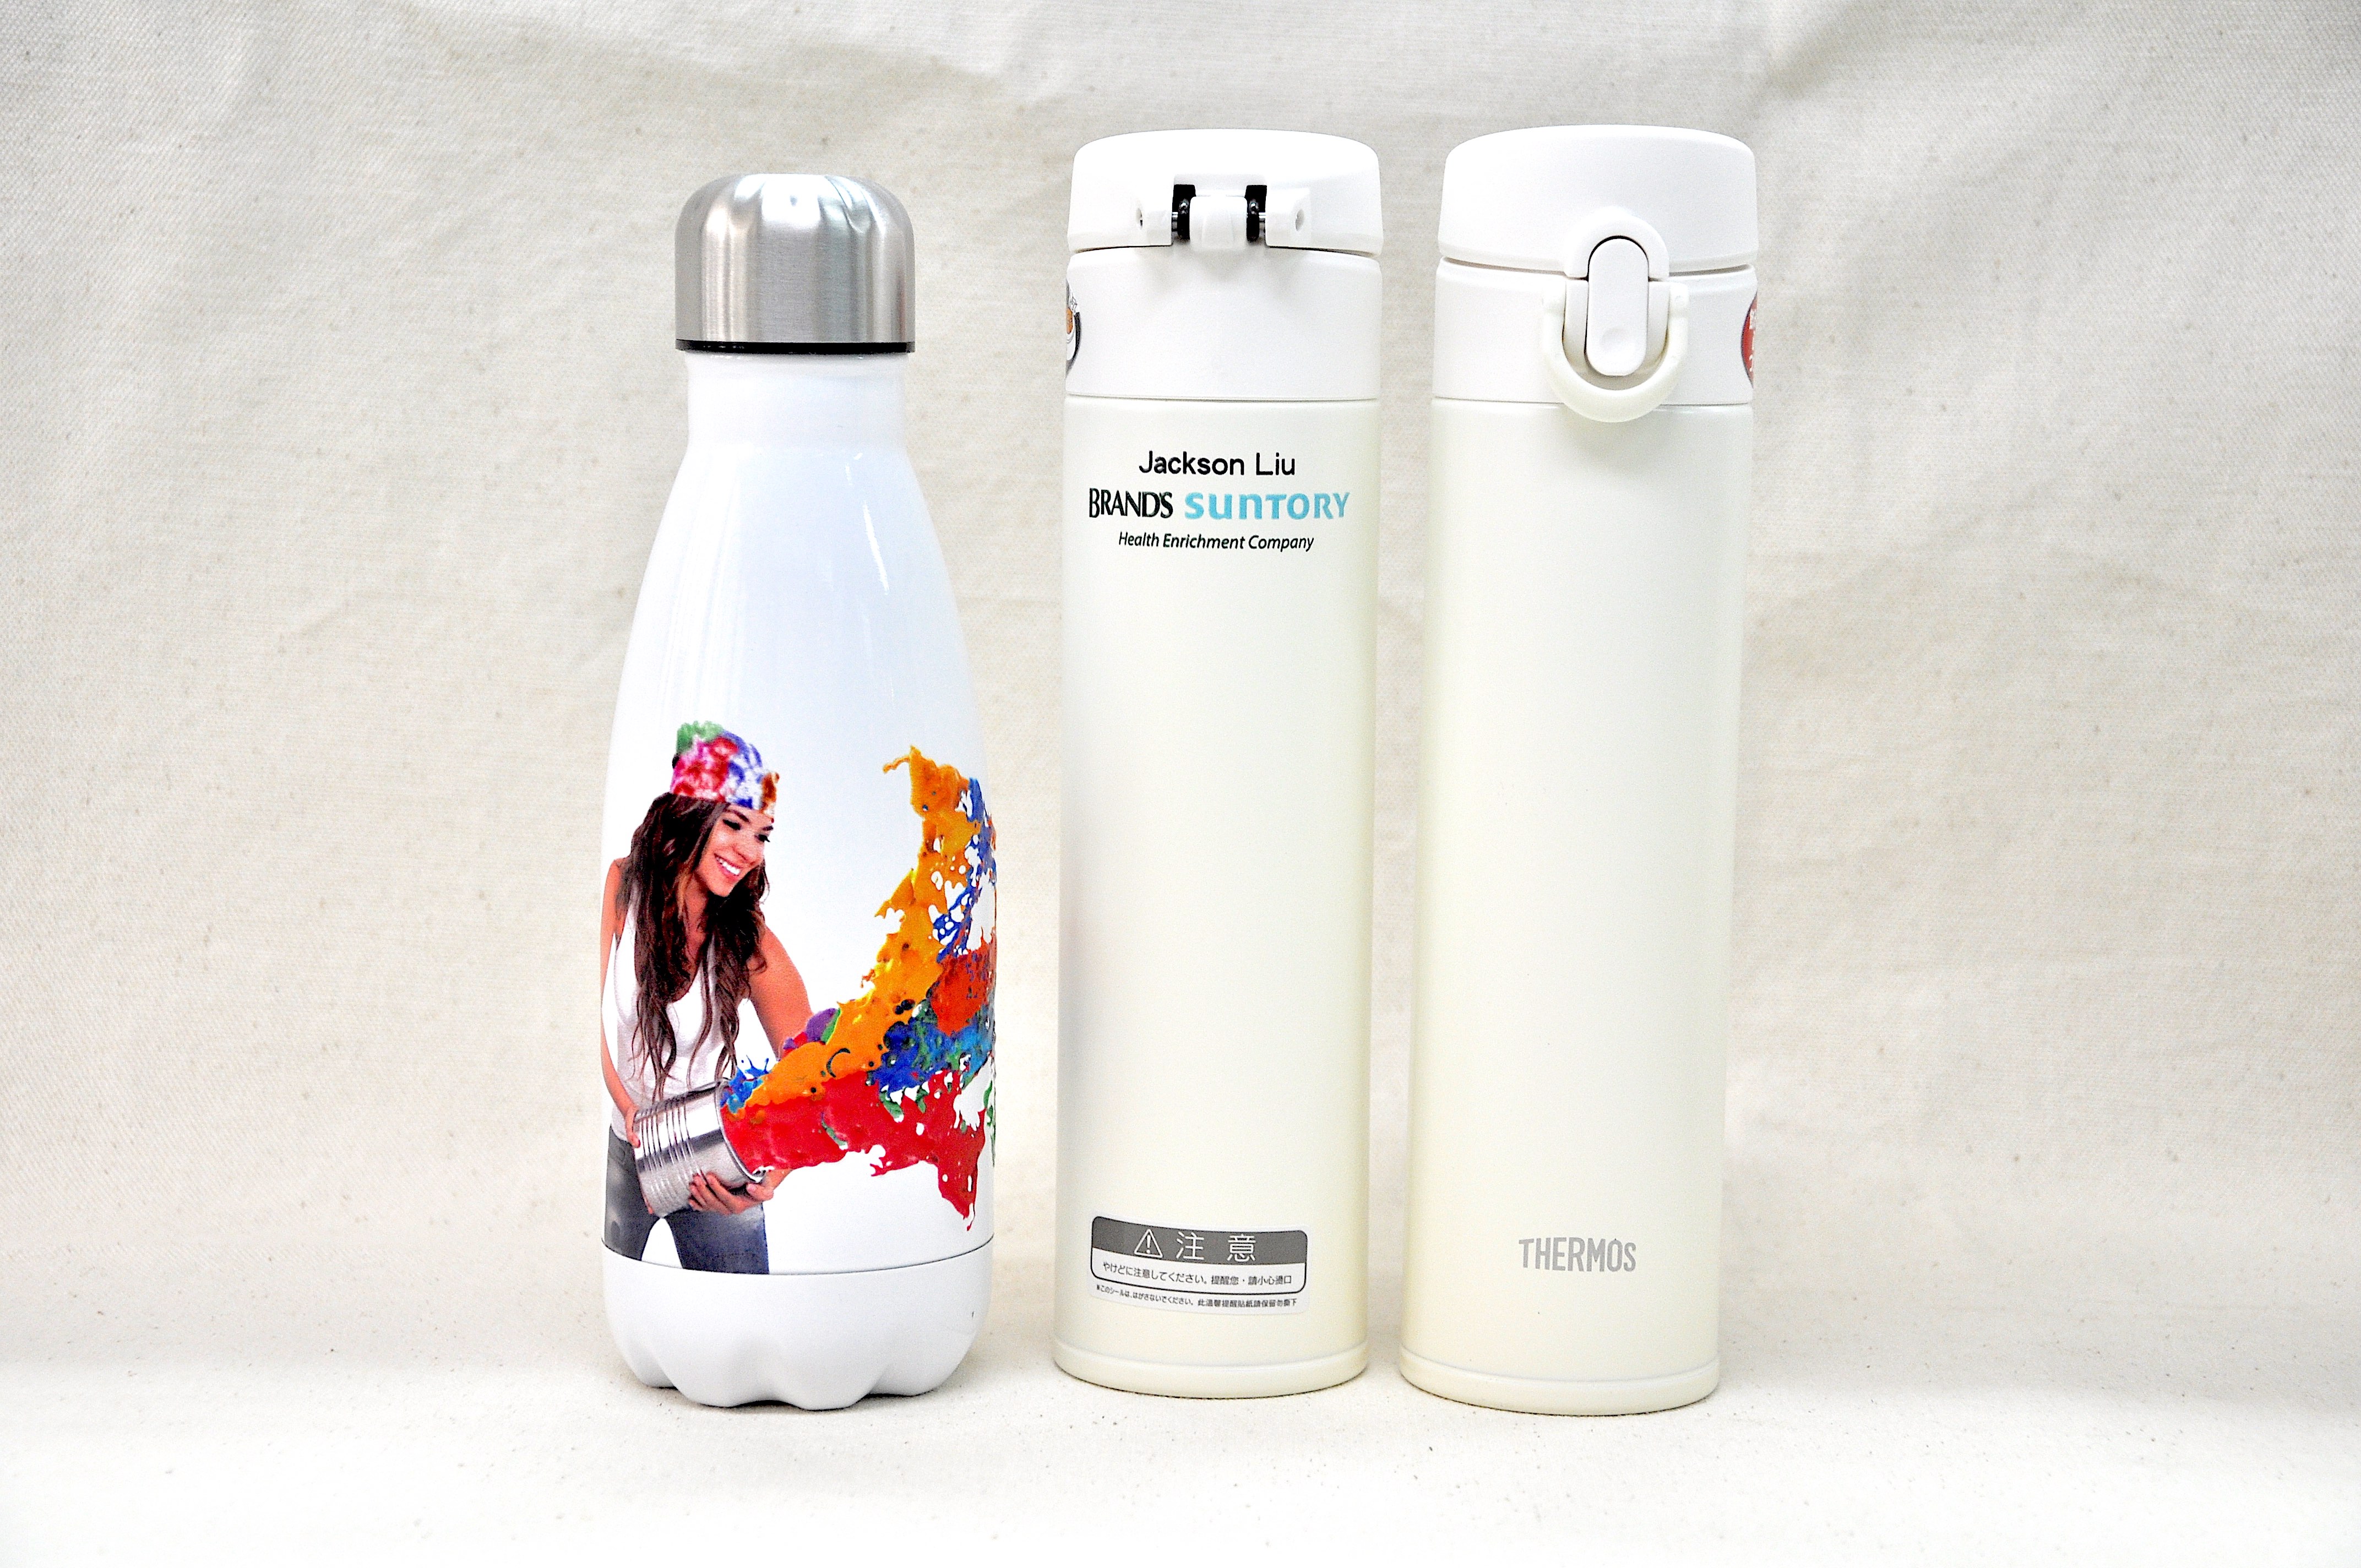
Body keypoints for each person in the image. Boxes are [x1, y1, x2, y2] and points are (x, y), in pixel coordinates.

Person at [601, 722, 810, 1272]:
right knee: (622, 1296)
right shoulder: (623, 885)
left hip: (716, 1164)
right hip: (628, 1149)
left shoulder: (749, 940)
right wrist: (630, 1113)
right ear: (690, 812)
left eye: (762, 835)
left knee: (742, 1313)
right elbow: (598, 1020)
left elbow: (814, 1076)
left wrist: (767, 1177)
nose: (749, 851)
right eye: (734, 823)